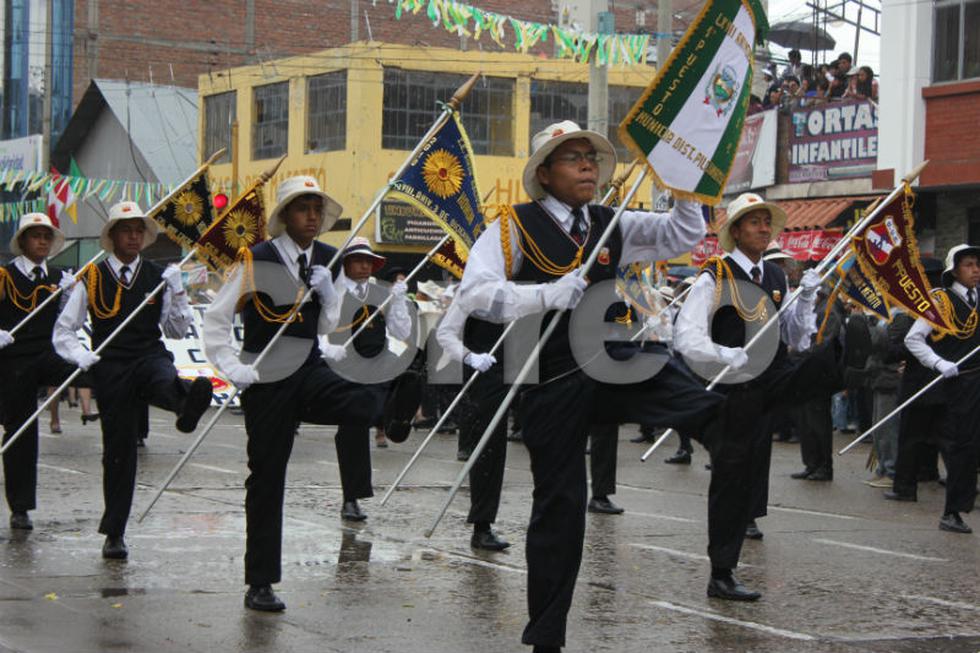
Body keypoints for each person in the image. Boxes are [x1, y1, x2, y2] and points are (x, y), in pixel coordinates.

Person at [454, 120, 728, 652]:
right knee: (560, 504)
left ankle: (726, 426)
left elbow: (680, 234)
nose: (587, 164)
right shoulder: (513, 226)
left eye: (591, 156)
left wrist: (681, 180)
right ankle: (547, 635)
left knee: (668, 375)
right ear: (545, 173)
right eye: (571, 157)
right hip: (550, 380)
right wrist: (543, 296)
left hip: (607, 364)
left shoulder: (612, 221)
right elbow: (477, 294)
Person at [203, 176, 386, 611]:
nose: (312, 216)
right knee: (267, 477)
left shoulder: (329, 258)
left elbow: (328, 327)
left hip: (307, 367)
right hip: (266, 376)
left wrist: (328, 292)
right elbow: (216, 317)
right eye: (303, 207)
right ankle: (260, 581)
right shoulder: (257, 258)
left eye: (317, 208)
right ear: (285, 215)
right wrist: (233, 368)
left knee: (361, 392)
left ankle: (390, 411)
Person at [673, 192, 869, 596]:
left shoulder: (777, 277)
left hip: (772, 376)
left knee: (811, 366)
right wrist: (724, 353)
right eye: (754, 222)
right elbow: (686, 337)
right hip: (734, 384)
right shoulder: (715, 275)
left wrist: (808, 298)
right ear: (736, 230)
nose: (764, 229)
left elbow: (793, 336)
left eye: (767, 222)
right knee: (731, 477)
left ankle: (846, 355)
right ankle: (721, 573)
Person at [53, 201, 212, 559]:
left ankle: (186, 405)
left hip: (148, 354)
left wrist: (179, 291)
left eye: (140, 230)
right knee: (119, 451)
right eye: (127, 230)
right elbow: (64, 330)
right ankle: (115, 532)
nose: (135, 236)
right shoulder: (90, 278)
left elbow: (177, 328)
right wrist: (80, 356)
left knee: (163, 375)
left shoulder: (158, 276)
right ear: (112, 236)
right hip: (111, 366)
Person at [322, 237, 413, 521]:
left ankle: (395, 421)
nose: (364, 266)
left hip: (379, 360)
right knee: (353, 426)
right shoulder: (332, 293)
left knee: (409, 377)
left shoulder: (380, 293)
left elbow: (402, 332)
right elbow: (318, 329)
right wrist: (328, 349)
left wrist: (399, 300)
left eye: (368, 261)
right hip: (347, 365)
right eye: (358, 260)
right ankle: (352, 497)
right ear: (346, 264)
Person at [0, 213, 76, 530]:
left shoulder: (60, 277)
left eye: (47, 236)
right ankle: (20, 507)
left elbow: (70, 323)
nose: (43, 241)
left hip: (48, 353)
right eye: (36, 236)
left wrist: (72, 295)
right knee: (21, 430)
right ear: (23, 242)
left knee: (95, 372)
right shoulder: (4, 276)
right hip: (13, 357)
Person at [901, 244, 980, 534]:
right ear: (955, 270)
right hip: (957, 383)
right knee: (962, 446)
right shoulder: (940, 301)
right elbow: (914, 339)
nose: (975, 270)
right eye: (969, 264)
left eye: (977, 264)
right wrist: (938, 362)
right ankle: (953, 511)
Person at [436, 297, 512, 550]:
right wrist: (469, 357)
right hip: (485, 373)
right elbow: (445, 333)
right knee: (488, 448)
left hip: (521, 365)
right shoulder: (472, 292)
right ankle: (482, 525)